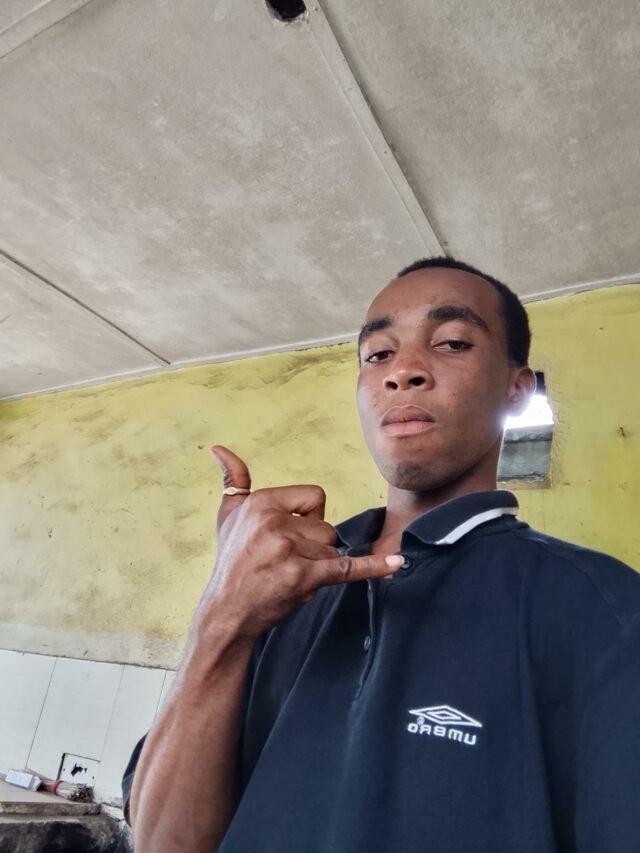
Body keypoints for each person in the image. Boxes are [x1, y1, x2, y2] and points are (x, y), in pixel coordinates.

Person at [123, 257, 640, 853]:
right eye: (378, 354)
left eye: (451, 342)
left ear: (517, 390)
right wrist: (223, 609)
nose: (403, 372)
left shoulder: (606, 610)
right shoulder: (274, 583)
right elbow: (163, 842)